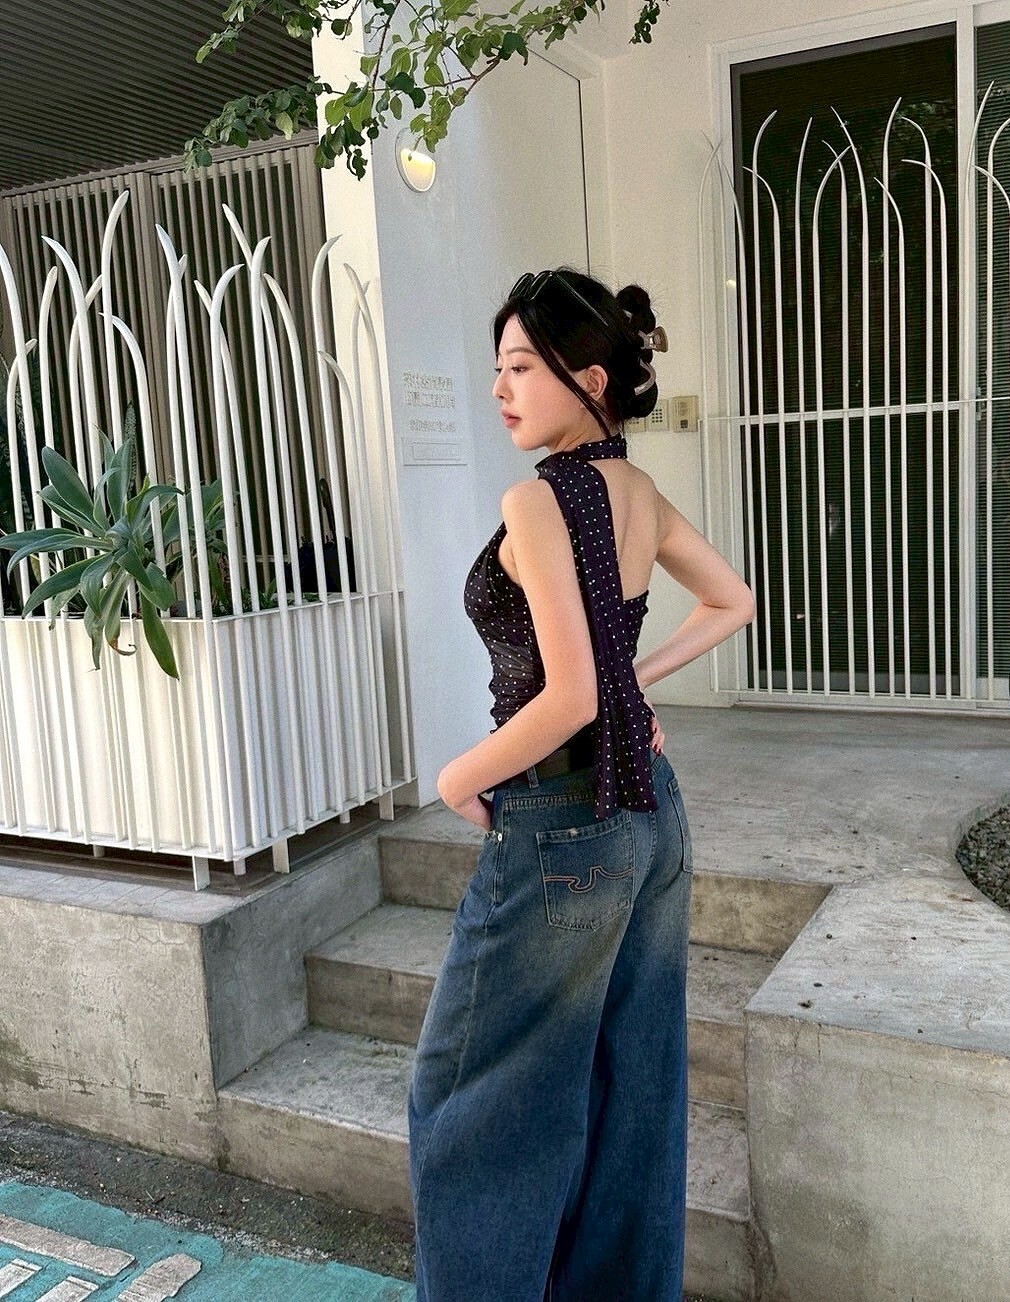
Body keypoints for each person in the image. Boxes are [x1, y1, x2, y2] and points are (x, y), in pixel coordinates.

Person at [407, 267, 755, 1301]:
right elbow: (732, 601)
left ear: (589, 379)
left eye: (521, 367)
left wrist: (456, 776)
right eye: (499, 368)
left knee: (469, 1100)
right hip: (650, 816)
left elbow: (565, 697)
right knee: (629, 1090)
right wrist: (633, 680)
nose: (499, 389)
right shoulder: (638, 495)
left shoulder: (538, 499)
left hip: (560, 822)